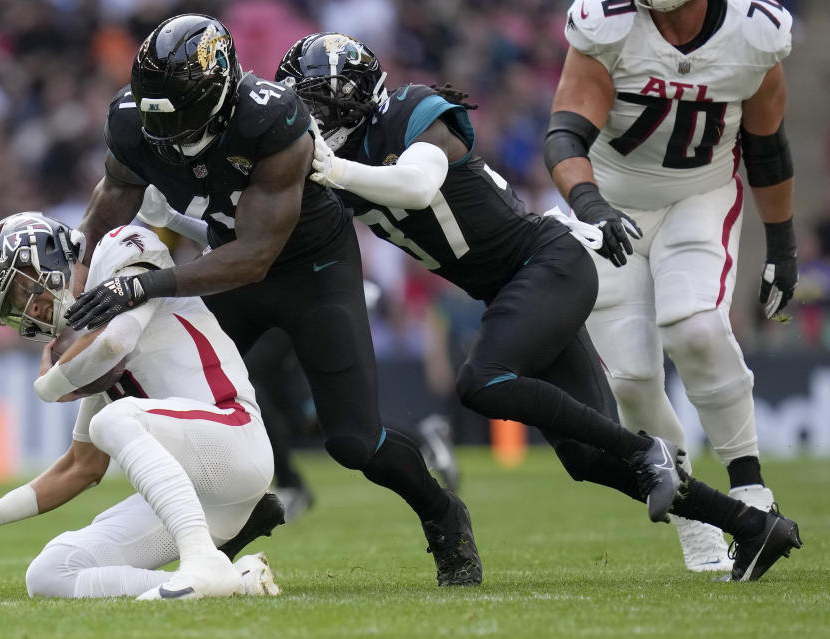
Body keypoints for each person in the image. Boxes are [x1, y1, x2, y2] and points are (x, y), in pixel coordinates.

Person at [276, 31, 800, 581]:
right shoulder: (341, 162)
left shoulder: (412, 113)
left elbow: (417, 185)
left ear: (355, 100)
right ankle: (751, 525)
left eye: (316, 105)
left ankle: (650, 451)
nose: (307, 119)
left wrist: (332, 169)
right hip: (516, 288)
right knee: (588, 458)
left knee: (480, 380)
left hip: (547, 262)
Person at [60, 14, 481, 587]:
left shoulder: (274, 121)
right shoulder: (135, 121)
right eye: (157, 112)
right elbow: (115, 193)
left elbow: (257, 255)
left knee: (356, 441)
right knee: (183, 403)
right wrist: (79, 279)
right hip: (227, 266)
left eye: (180, 112)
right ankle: (246, 508)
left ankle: (442, 513)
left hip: (310, 270)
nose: (167, 132)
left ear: (218, 95)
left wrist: (144, 284)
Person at [545, 0, 797, 571]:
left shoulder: (753, 30)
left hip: (698, 194)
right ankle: (695, 516)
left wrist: (781, 246)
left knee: (697, 326)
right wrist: (590, 204)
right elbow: (564, 134)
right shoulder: (606, 23)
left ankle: (752, 491)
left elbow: (766, 144)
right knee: (632, 378)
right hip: (610, 202)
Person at [0, 213, 284, 600]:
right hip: (201, 500)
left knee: (114, 419)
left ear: (48, 254)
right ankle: (234, 584)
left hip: (236, 440)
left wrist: (48, 385)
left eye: (23, 288)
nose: (31, 310)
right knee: (49, 573)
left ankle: (202, 562)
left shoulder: (120, 247)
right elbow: (82, 465)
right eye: (13, 304)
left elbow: (116, 342)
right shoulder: (88, 345)